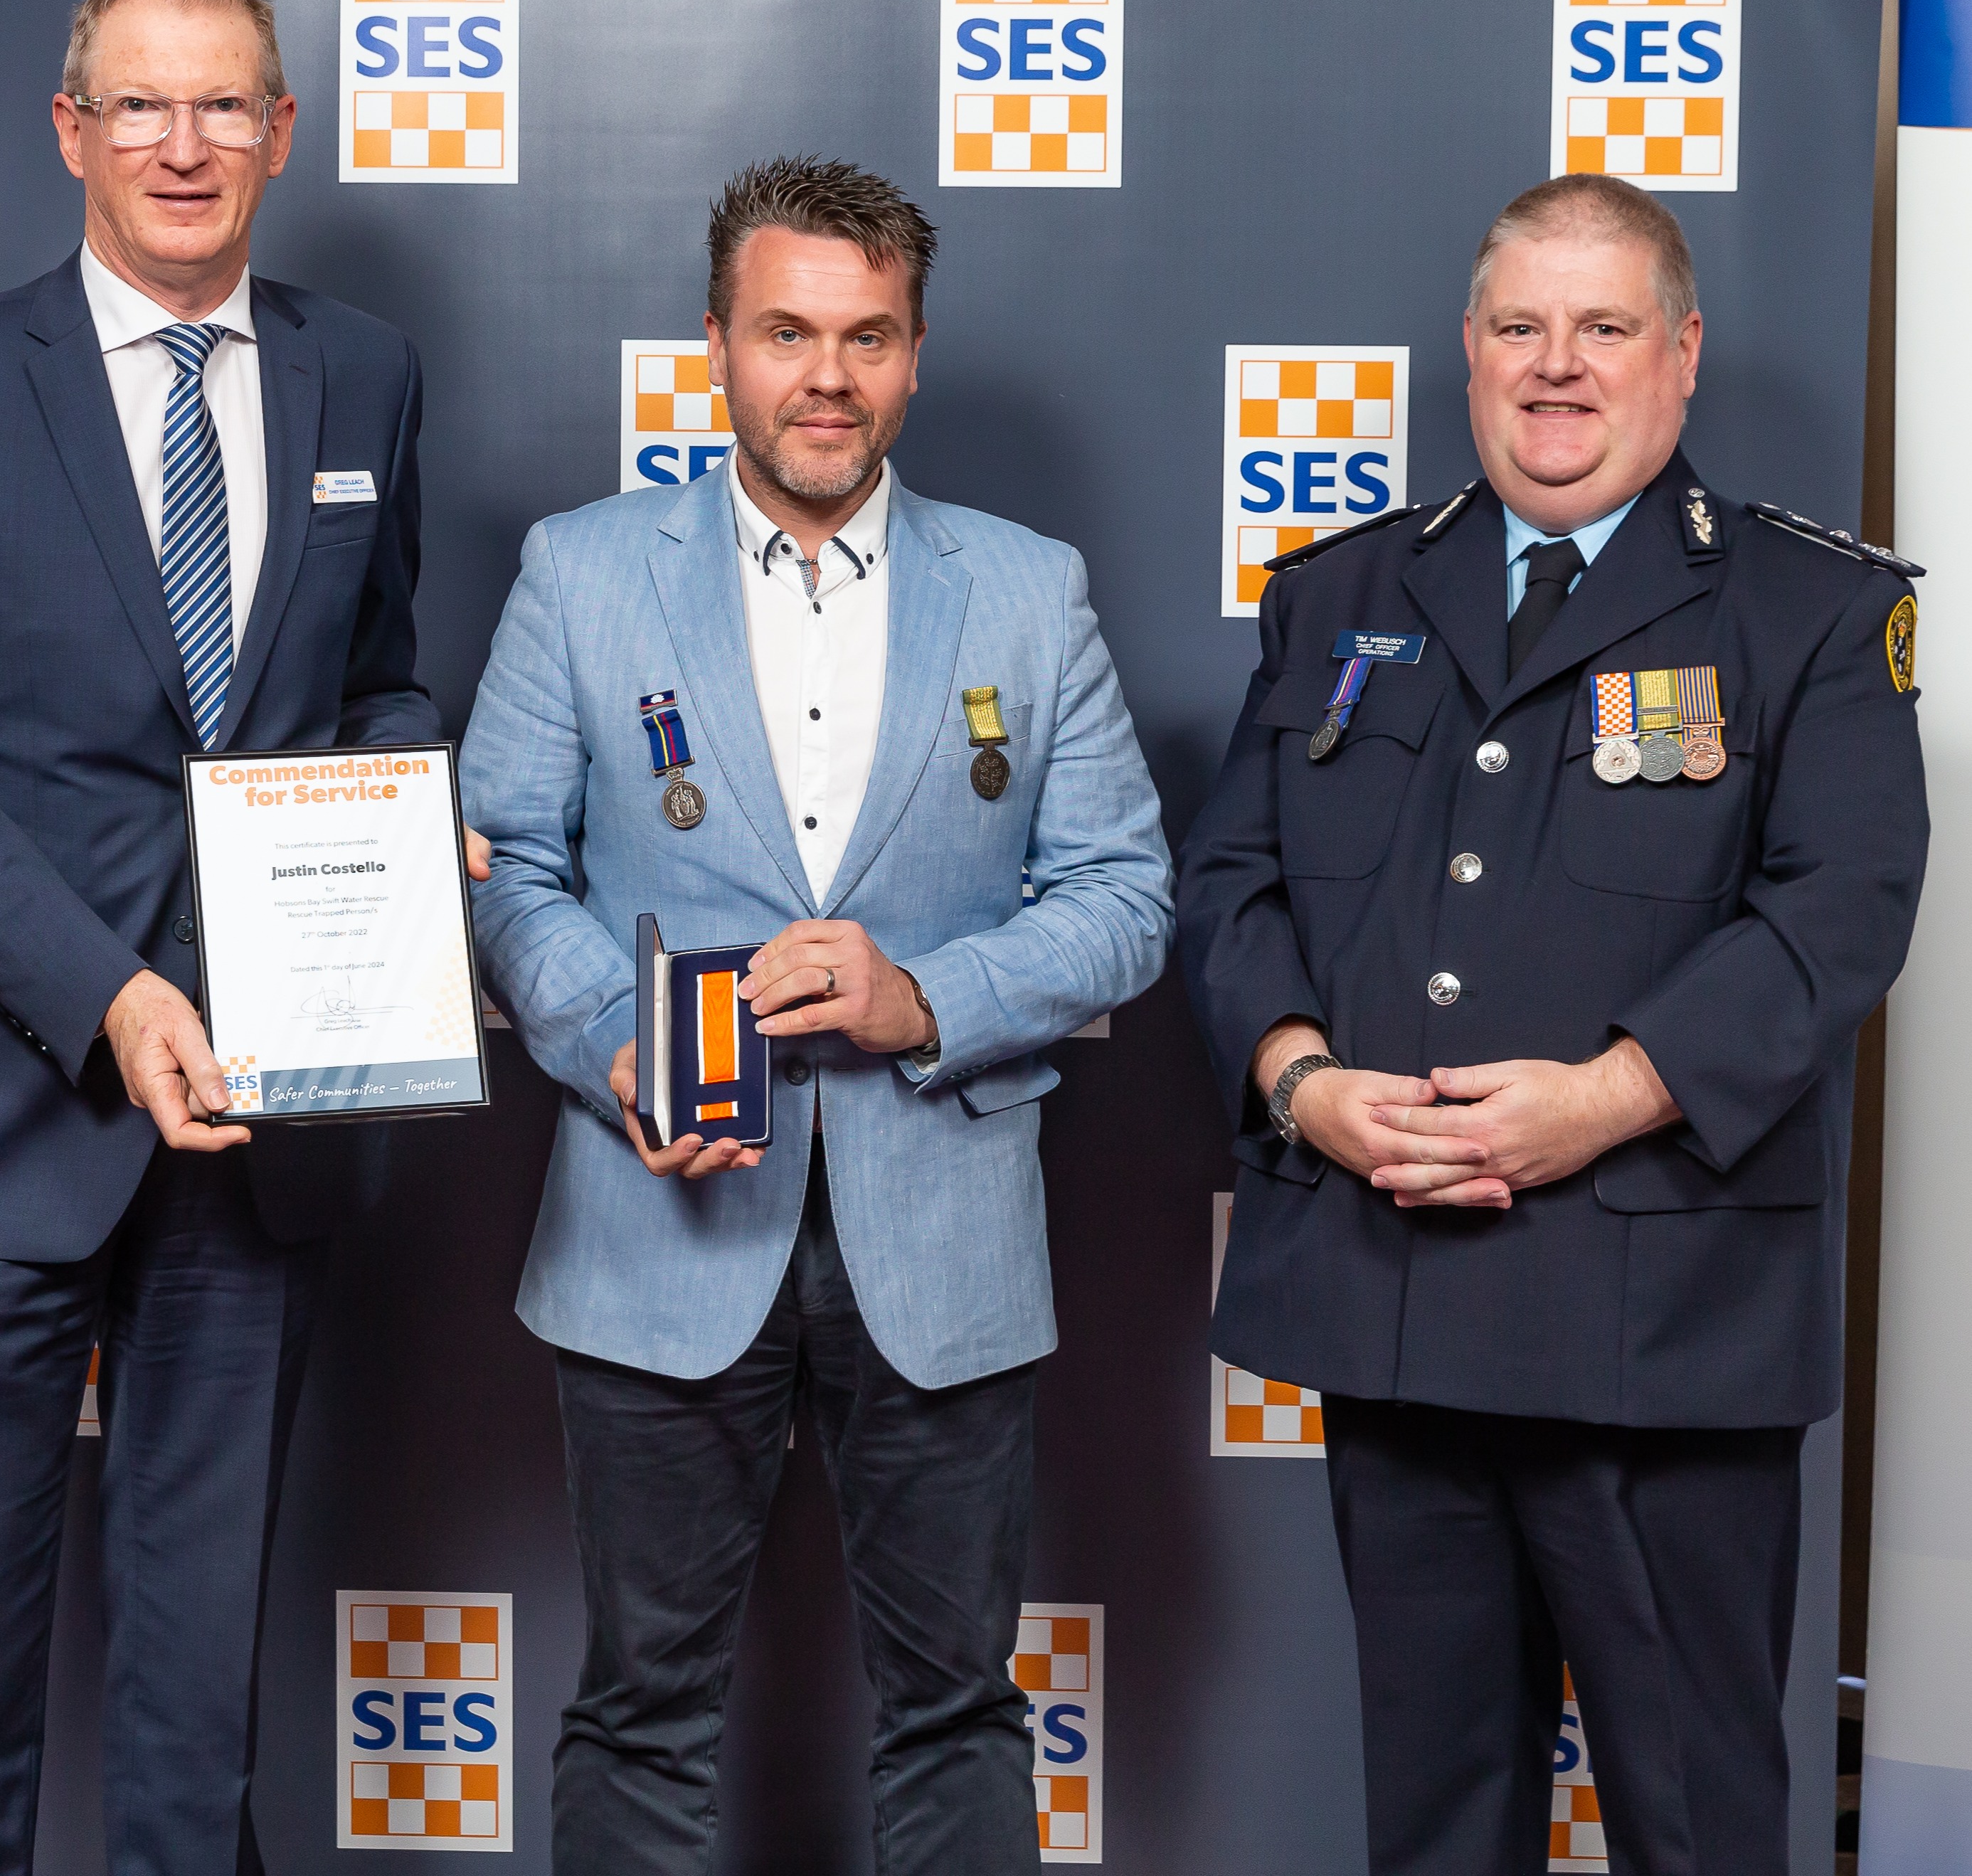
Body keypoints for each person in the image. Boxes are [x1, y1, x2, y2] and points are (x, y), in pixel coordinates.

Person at [0, 0, 481, 1875]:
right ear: (71, 132)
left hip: (257, 1141)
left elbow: (380, 678)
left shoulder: (365, 369)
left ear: (278, 134)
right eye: (139, 104)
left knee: (198, 1722)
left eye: (221, 107)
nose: (181, 146)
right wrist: (107, 992)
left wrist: (404, 799)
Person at [1180, 171, 1927, 1876]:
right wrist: (1302, 1087)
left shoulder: (1812, 615)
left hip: (1664, 1330)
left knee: (1700, 1822)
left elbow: (1840, 911)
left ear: (1682, 356)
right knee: (1437, 1826)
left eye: (1604, 329)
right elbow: (1230, 886)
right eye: (1521, 327)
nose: (1557, 367)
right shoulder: (1341, 595)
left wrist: (1606, 1097)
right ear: (1469, 352)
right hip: (1403, 1302)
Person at [462, 156, 1172, 1875]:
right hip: (660, 1218)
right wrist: (612, 1040)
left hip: (940, 1226)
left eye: (868, 337)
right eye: (788, 332)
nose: (828, 377)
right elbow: (499, 876)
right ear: (717, 342)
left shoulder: (1027, 587)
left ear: (917, 355)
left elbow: (1127, 898)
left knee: (955, 1711)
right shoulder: (580, 572)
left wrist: (925, 992)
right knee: (642, 1707)